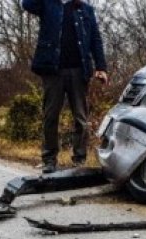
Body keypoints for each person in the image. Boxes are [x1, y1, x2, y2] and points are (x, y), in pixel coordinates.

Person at [21, 0, 108, 173]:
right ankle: (49, 159)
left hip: (79, 71)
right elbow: (27, 4)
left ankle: (79, 159)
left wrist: (101, 67)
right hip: (53, 70)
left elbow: (95, 39)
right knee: (50, 116)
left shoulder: (85, 9)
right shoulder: (48, 4)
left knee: (81, 118)